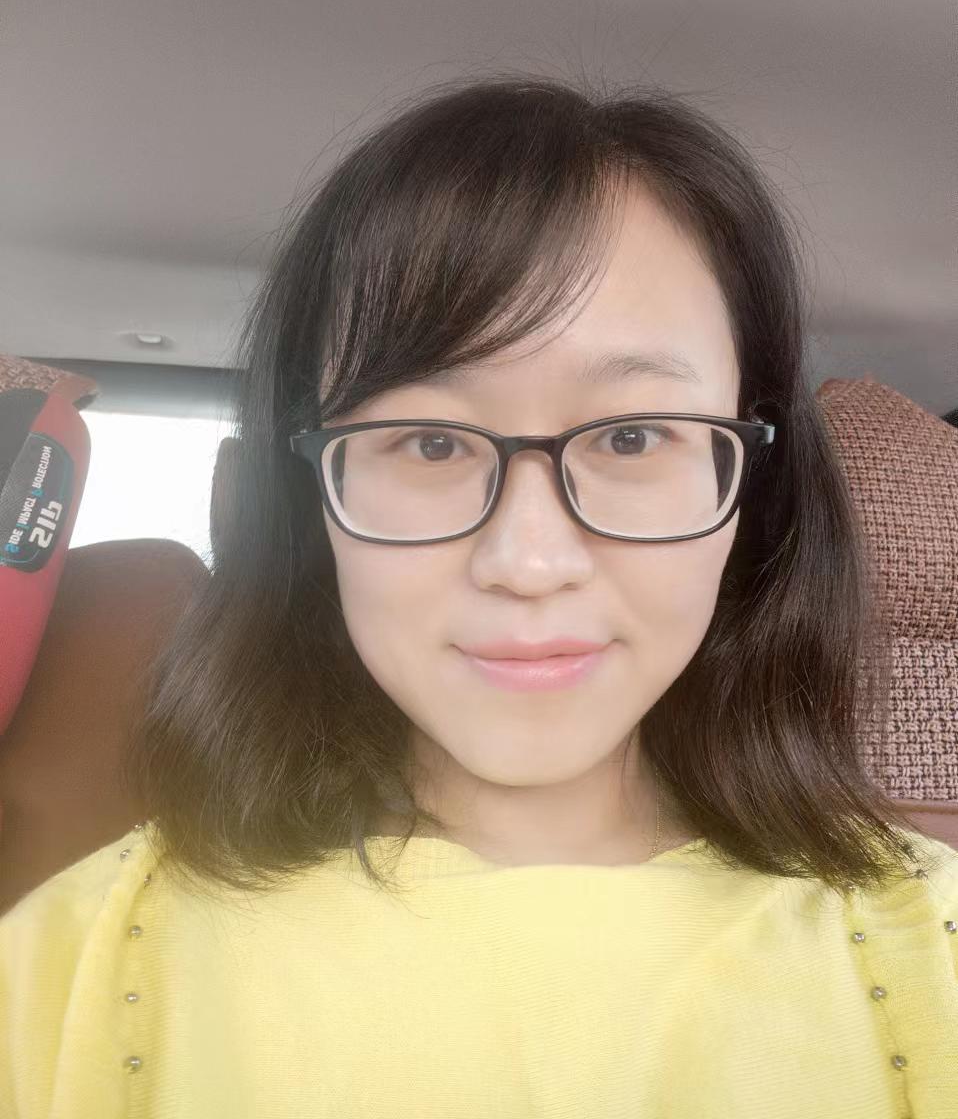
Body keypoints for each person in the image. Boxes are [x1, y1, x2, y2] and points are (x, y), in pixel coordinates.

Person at [1, 73, 955, 1118]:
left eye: (633, 437)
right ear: (313, 499)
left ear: (750, 491)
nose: (528, 560)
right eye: (428, 442)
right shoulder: (68, 972)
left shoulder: (926, 947)